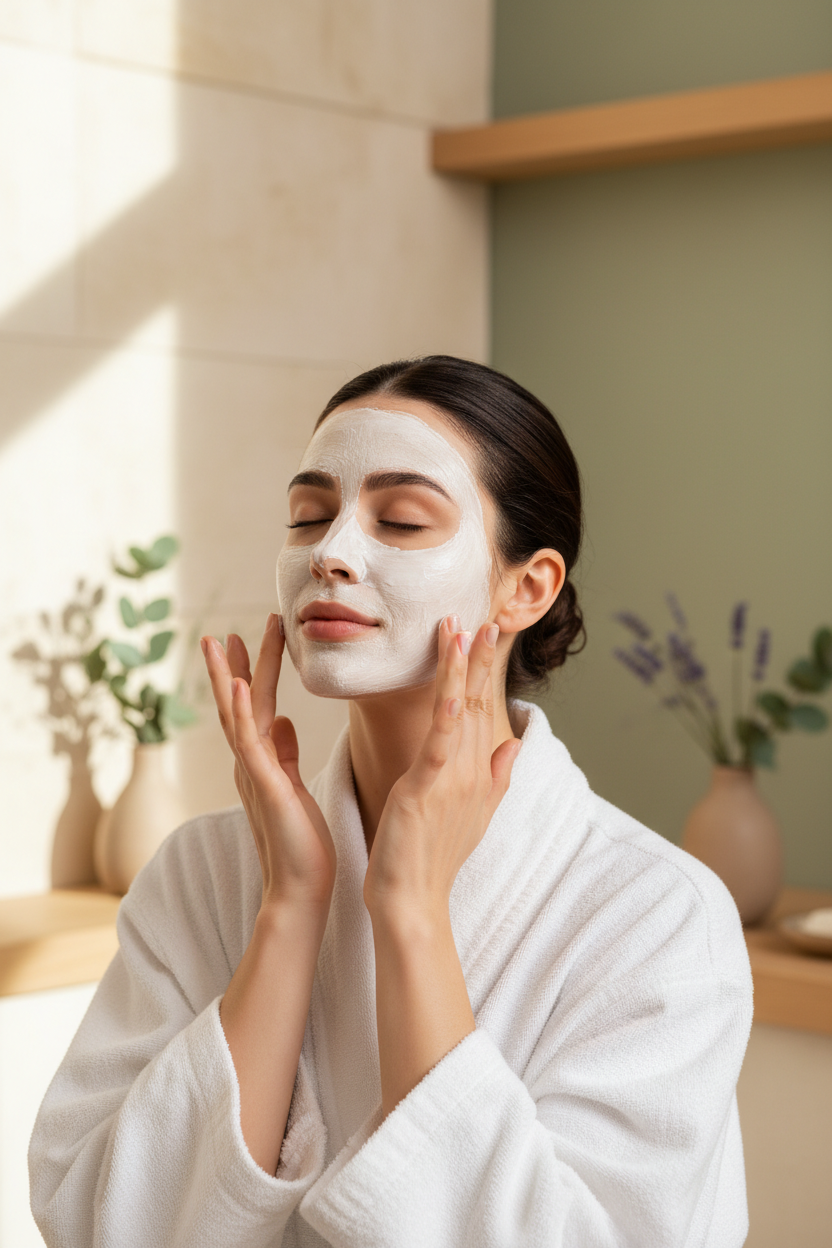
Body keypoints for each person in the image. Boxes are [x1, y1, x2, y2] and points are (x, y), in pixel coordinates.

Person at [29, 356, 753, 1247]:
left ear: (526, 588)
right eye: (309, 515)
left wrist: (410, 913)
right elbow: (99, 1222)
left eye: (402, 520)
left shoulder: (656, 919)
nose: (331, 552)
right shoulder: (202, 875)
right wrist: (292, 908)